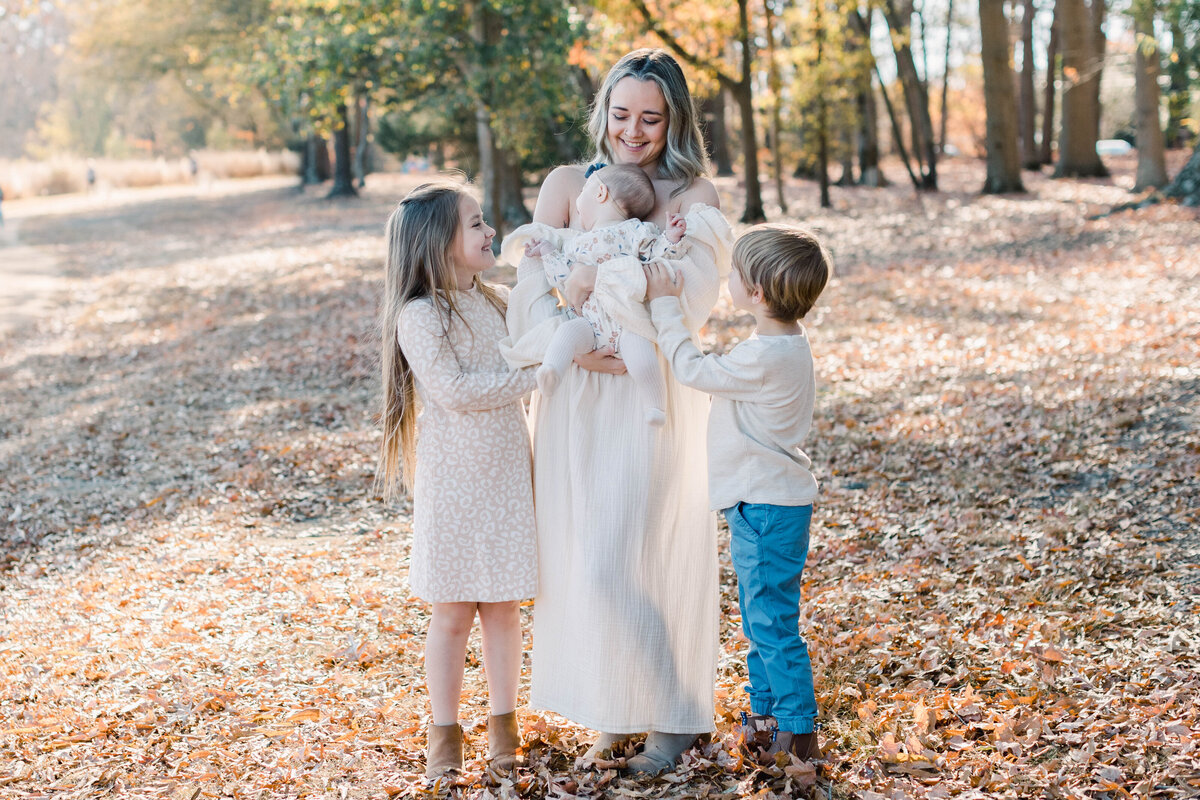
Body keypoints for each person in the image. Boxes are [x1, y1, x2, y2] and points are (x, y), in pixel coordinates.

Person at [502, 48, 733, 776]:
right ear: (603, 111)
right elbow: (529, 292)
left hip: (649, 396)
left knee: (631, 556)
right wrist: (567, 342)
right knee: (580, 558)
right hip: (576, 397)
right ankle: (616, 708)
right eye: (623, 113)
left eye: (652, 118)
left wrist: (625, 332)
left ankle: (677, 712)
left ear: (675, 121)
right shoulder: (567, 184)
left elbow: (691, 304)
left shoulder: (695, 198)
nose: (634, 131)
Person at [643, 224, 833, 763]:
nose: (727, 278)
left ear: (759, 294)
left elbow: (690, 369)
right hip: (767, 503)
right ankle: (766, 724)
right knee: (760, 619)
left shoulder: (766, 357)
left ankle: (798, 738)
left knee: (771, 623)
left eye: (735, 273)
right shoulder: (783, 344)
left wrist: (665, 308)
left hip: (765, 506)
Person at [376, 181, 538, 779]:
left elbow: (538, 338)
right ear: (440, 242)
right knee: (452, 613)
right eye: (475, 224)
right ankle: (444, 735)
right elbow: (455, 391)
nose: (489, 230)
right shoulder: (419, 317)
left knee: (502, 608)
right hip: (454, 483)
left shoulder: (497, 301)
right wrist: (538, 377)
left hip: (505, 476)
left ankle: (504, 728)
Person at [505, 163, 689, 426]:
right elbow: (563, 279)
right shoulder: (575, 242)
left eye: (582, 196)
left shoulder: (637, 231)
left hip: (627, 321)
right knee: (565, 335)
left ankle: (655, 405)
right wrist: (548, 252)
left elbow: (657, 257)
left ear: (600, 192)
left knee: (642, 356)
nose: (577, 206)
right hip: (589, 323)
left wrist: (671, 238)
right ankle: (551, 372)